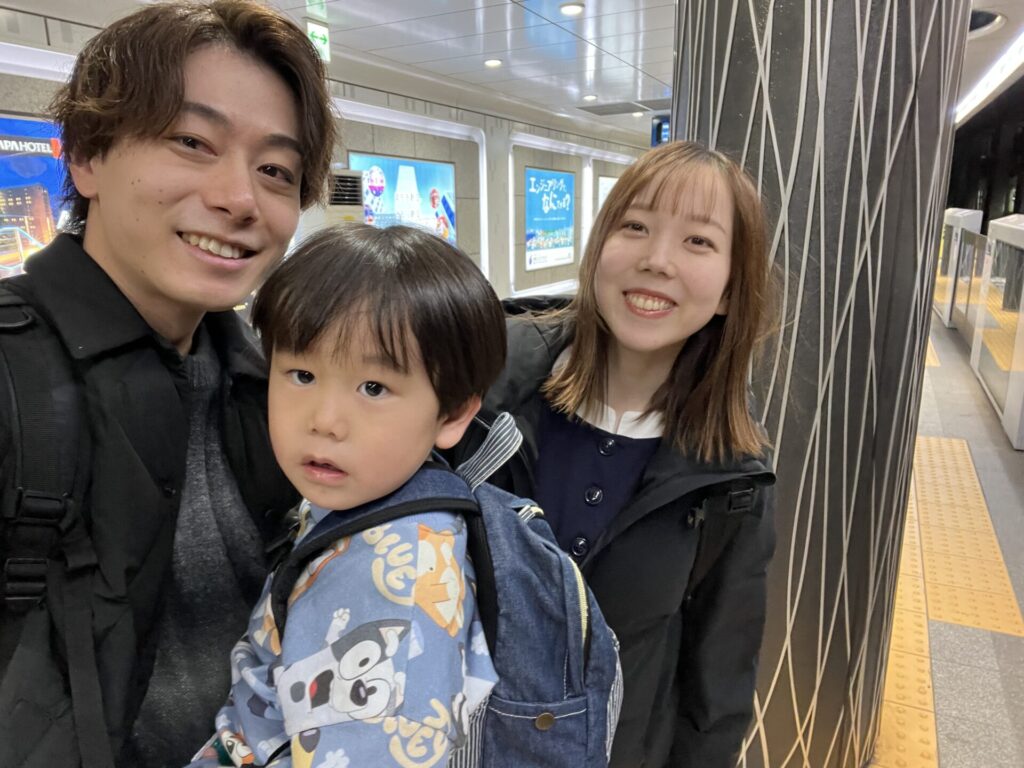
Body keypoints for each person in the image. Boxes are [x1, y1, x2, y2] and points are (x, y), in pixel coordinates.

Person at [0, 2, 334, 766]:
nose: (239, 198)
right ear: (87, 155)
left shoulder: (270, 382)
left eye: (275, 171)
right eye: (192, 142)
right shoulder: (15, 381)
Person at [456, 140, 777, 768]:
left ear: (730, 290)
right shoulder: (487, 383)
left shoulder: (730, 474)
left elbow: (717, 685)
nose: (657, 260)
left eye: (698, 241)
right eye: (635, 226)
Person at [186, 224, 506, 767]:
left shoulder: (393, 585)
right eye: (302, 374)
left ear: (452, 414)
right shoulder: (368, 504)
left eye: (373, 388)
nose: (325, 421)